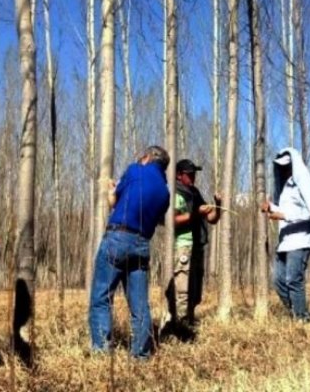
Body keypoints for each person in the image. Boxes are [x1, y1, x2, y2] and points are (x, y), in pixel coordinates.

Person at [88, 145, 171, 359]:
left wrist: (111, 190)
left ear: (147, 158)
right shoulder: (165, 192)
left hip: (118, 238)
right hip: (142, 245)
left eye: (141, 156)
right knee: (139, 306)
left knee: (101, 298)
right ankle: (141, 356)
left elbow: (115, 203)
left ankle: (101, 353)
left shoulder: (135, 170)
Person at [260, 147, 310, 322]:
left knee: (293, 279)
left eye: (287, 166)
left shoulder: (304, 183)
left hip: (301, 240)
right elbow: (285, 210)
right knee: (278, 280)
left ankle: (301, 319)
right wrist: (271, 208)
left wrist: (282, 215)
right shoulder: (286, 188)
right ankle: (297, 310)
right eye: (281, 167)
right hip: (285, 241)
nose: (284, 169)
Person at [165, 159, 221, 326]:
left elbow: (212, 219)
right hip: (183, 246)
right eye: (189, 174)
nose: (193, 177)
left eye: (194, 174)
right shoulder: (176, 193)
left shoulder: (195, 193)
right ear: (179, 175)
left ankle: (188, 321)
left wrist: (218, 205)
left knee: (195, 290)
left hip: (198, 246)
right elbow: (172, 220)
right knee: (182, 289)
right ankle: (179, 326)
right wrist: (196, 214)